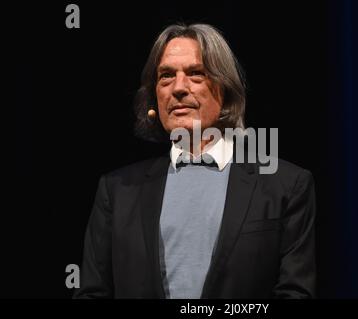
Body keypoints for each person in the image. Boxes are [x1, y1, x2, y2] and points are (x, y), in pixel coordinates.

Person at [73, 23, 316, 299]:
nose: (178, 88)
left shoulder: (285, 185)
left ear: (225, 90)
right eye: (166, 76)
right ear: (154, 95)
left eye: (195, 74)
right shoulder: (116, 191)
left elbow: (296, 293)